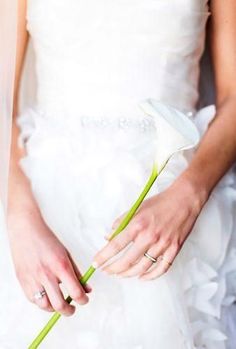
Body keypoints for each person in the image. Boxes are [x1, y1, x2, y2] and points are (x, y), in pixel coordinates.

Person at [1, 0, 236, 348]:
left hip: (175, 210)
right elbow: (5, 99)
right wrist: (19, 218)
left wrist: (189, 196)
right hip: (42, 209)